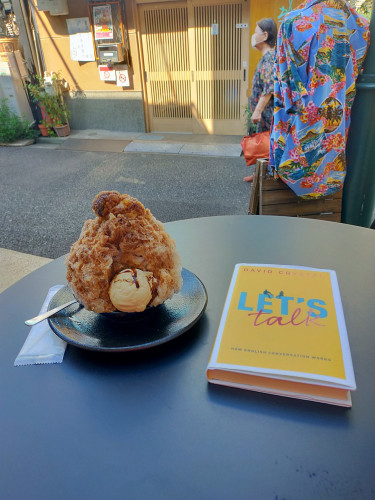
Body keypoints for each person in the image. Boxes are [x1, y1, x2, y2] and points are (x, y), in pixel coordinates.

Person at [269, 0, 370, 199]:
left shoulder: (292, 22)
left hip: (292, 154)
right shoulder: (362, 27)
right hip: (339, 146)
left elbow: (285, 91)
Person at [244, 18, 277, 183]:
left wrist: (257, 111)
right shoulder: (266, 57)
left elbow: (269, 87)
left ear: (264, 35)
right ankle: (258, 174)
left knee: (265, 144)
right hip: (264, 113)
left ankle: (265, 178)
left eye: (255, 32)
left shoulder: (270, 57)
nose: (253, 35)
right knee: (262, 142)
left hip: (267, 112)